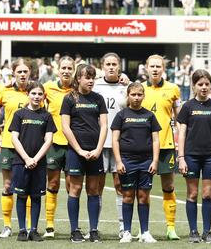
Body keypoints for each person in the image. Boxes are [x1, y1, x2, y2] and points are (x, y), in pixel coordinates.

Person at [177, 70, 211, 244]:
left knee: (207, 194)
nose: (204, 87)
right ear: (194, 86)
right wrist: (181, 157)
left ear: (210, 85)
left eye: (206, 84)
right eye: (200, 84)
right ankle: (193, 232)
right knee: (192, 193)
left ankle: (207, 231)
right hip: (191, 156)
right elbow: (181, 134)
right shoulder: (187, 107)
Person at [61, 64, 108, 243]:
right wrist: (79, 150)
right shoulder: (69, 99)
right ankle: (75, 231)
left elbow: (104, 125)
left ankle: (94, 230)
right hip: (75, 151)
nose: (90, 81)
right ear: (78, 79)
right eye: (87, 77)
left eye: (92, 77)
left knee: (93, 190)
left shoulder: (98, 99)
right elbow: (65, 127)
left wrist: (97, 149)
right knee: (75, 189)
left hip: (95, 152)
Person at [112, 82, 160, 243]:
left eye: (140, 94)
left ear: (143, 96)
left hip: (146, 162)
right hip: (127, 161)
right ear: (128, 96)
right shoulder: (121, 115)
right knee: (127, 196)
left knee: (143, 196)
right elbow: (115, 140)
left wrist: (154, 160)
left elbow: (155, 140)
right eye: (133, 94)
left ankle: (145, 232)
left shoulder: (150, 116)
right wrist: (118, 161)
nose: (137, 97)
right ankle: (126, 232)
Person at [141, 54, 182, 240]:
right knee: (143, 189)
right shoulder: (139, 89)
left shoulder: (173, 89)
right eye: (152, 66)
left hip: (166, 145)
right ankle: (144, 229)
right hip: (144, 146)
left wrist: (181, 144)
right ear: (146, 68)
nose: (155, 69)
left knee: (169, 185)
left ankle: (171, 227)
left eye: (158, 66)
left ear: (163, 69)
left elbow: (180, 119)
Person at [9, 82, 56, 242]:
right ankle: (22, 230)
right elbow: (14, 137)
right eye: (33, 93)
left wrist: (35, 159)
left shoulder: (46, 116)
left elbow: (49, 139)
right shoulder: (19, 114)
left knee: (36, 197)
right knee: (21, 196)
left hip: (39, 164)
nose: (36, 97)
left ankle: (34, 230)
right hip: (20, 162)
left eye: (39, 94)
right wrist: (26, 158)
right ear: (27, 95)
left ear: (43, 96)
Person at [0, 58, 32, 236]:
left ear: (30, 73)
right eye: (19, 72)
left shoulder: (37, 92)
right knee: (8, 186)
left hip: (30, 147)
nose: (22, 75)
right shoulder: (5, 91)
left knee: (29, 187)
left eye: (25, 72)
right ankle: (7, 226)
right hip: (9, 145)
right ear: (14, 73)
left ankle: (30, 226)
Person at [93, 53, 128, 237]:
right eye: (108, 64)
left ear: (119, 66)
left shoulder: (127, 86)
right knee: (97, 186)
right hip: (99, 142)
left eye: (115, 64)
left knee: (119, 185)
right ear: (103, 66)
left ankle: (123, 227)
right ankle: (94, 227)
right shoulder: (96, 86)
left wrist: (128, 83)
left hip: (119, 144)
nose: (112, 67)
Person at [43, 55, 75, 238]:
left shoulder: (78, 90)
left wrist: (124, 79)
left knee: (72, 186)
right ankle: (49, 225)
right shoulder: (48, 88)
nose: (66, 71)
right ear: (58, 70)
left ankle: (74, 227)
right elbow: (29, 93)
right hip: (54, 144)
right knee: (53, 183)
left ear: (74, 70)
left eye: (69, 68)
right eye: (63, 68)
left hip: (74, 145)